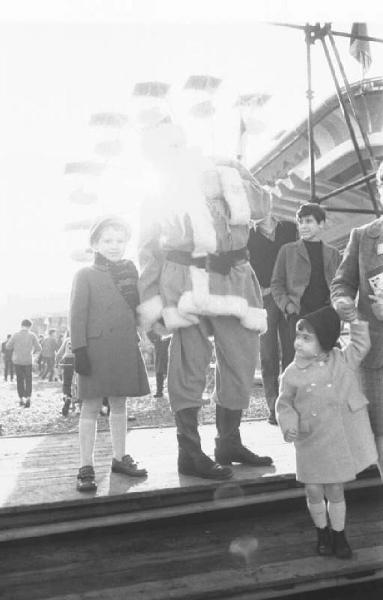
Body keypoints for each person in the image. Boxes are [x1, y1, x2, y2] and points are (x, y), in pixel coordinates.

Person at [138, 121, 273, 481]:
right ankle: (190, 452)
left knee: (242, 360)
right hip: (184, 281)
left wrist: (234, 179)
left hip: (236, 278)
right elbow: (149, 251)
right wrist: (151, 303)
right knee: (189, 366)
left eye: (176, 142)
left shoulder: (225, 168)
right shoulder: (157, 191)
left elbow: (262, 205)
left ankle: (228, 441)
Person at [276, 306, 378, 559]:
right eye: (298, 336)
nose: (298, 343)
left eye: (306, 337)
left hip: (335, 439)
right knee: (312, 489)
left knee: (335, 490)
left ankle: (339, 534)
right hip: (309, 439)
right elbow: (284, 403)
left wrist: (355, 319)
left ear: (324, 339)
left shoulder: (342, 359)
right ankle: (321, 531)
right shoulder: (291, 373)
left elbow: (360, 344)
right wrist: (288, 424)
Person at [70, 215, 150, 492]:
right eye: (107, 240)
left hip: (124, 346)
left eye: (119, 241)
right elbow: (76, 315)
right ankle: (85, 465)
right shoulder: (84, 274)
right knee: (90, 407)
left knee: (120, 404)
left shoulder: (130, 272)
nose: (114, 246)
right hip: (94, 349)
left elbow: (137, 308)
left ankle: (119, 458)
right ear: (95, 243)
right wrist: (79, 349)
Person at [331, 161, 383, 477]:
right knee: (379, 428)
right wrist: (342, 300)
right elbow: (342, 281)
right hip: (376, 352)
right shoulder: (363, 236)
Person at [248, 212, 298, 424]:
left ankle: (291, 404)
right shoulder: (248, 235)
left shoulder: (289, 228)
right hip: (265, 300)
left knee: (291, 351)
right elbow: (245, 266)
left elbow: (298, 259)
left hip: (287, 298)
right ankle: (273, 408)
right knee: (268, 355)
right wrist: (258, 290)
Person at [271, 203, 341, 347]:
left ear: (321, 224)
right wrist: (288, 306)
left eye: (308, 221)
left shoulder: (333, 253)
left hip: (326, 314)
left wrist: (337, 307)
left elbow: (341, 283)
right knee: (301, 362)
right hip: (298, 314)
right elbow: (277, 283)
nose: (303, 226)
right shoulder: (287, 250)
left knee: (328, 360)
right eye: (300, 222)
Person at [6, 319, 41, 407]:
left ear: (21, 325)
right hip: (28, 360)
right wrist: (32, 353)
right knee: (28, 380)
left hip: (17, 361)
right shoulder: (32, 335)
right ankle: (28, 398)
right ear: (29, 326)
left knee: (20, 380)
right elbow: (39, 348)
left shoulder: (16, 335)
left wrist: (16, 348)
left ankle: (21, 399)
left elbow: (8, 346)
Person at [147, 330, 170, 398]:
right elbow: (148, 330)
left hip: (169, 344)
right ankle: (159, 391)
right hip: (159, 346)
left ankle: (176, 391)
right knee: (159, 370)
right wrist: (154, 339)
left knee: (172, 368)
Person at [56, 335, 75, 417]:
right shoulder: (82, 338)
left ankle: (67, 396)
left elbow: (59, 353)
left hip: (67, 360)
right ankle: (79, 403)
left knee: (67, 381)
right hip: (79, 360)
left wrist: (57, 363)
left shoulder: (67, 339)